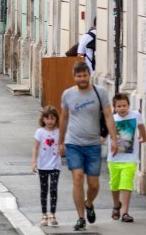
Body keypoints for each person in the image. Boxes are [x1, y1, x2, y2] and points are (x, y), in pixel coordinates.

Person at [58, 61, 118, 231]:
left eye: (84, 75)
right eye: (79, 76)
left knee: (93, 185)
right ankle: (80, 217)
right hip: (73, 143)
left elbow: (108, 116)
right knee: (77, 178)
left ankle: (89, 203)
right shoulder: (68, 95)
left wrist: (113, 139)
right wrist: (60, 141)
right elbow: (63, 118)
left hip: (93, 144)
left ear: (89, 75)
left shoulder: (100, 93)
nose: (82, 79)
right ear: (74, 76)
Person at [107, 93, 146, 223]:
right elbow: (104, 135)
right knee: (114, 185)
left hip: (130, 158)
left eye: (124, 105)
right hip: (114, 158)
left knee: (126, 183)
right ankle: (116, 205)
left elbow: (141, 127)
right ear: (115, 108)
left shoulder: (135, 115)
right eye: (119, 106)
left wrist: (143, 137)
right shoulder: (111, 119)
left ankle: (125, 212)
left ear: (128, 105)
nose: (122, 108)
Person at [32, 106, 61, 227]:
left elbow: (62, 145)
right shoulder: (40, 132)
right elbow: (35, 147)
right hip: (43, 165)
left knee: (53, 189)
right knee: (44, 190)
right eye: (47, 118)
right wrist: (34, 162)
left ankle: (52, 214)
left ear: (56, 119)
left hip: (55, 165)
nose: (50, 121)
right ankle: (44, 214)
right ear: (43, 119)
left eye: (52, 118)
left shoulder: (59, 132)